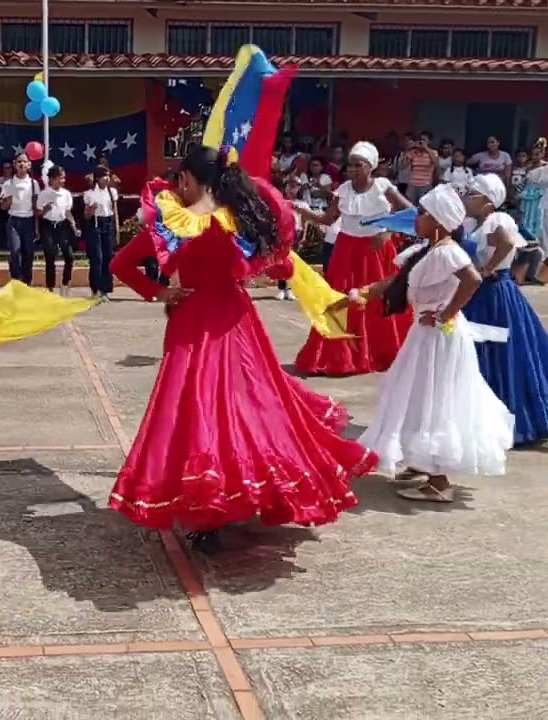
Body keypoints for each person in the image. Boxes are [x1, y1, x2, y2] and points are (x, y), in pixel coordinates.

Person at [105, 145, 375, 551]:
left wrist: (162, 292)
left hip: (192, 320)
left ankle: (209, 506)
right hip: (236, 320)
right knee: (252, 404)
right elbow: (282, 265)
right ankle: (253, 490)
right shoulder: (246, 221)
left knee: (196, 410)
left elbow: (120, 265)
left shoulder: (176, 222)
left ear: (187, 180)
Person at [339, 184, 513, 503]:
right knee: (415, 394)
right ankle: (421, 460)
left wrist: (446, 313)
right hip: (426, 335)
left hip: (438, 337)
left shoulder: (448, 250)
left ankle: (438, 480)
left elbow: (472, 279)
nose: (416, 218)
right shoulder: (430, 250)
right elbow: (396, 281)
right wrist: (359, 294)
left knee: (434, 397)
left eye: (422, 213)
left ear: (439, 220)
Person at [460, 174, 548, 448]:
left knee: (499, 352)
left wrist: (488, 269)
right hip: (481, 294)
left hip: (494, 294)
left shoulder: (496, 220)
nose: (467, 198)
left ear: (488, 201)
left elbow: (506, 243)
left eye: (472, 194)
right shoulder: (475, 223)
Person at [293, 141, 414, 376]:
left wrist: (387, 231)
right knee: (340, 300)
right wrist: (302, 210)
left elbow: (409, 213)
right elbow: (328, 219)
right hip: (346, 250)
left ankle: (379, 352)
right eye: (350, 165)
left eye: (359, 165)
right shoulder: (343, 190)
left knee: (377, 299)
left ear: (371, 166)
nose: (353, 169)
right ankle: (339, 357)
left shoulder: (383, 187)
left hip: (376, 251)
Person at [38, 164, 79, 294]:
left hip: (62, 225)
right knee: (50, 256)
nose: (63, 181)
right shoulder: (44, 194)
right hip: (47, 225)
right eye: (60, 178)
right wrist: (46, 209)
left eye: (63, 178)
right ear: (52, 179)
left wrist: (74, 226)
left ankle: (65, 283)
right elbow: (38, 213)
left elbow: (67, 212)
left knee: (69, 256)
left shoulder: (66, 194)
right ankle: (50, 287)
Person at [0, 154, 39, 285]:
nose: (22, 164)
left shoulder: (33, 183)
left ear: (29, 165)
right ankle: (15, 280)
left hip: (28, 220)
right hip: (14, 221)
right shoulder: (8, 184)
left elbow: (36, 205)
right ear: (15, 164)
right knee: (15, 250)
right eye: (19, 162)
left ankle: (27, 282)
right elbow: (3, 206)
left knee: (28, 252)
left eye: (25, 161)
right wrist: (8, 200)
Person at [84, 166, 119, 298]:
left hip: (107, 224)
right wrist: (91, 210)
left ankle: (105, 288)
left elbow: (114, 212)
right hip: (95, 224)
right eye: (104, 175)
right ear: (97, 178)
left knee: (107, 256)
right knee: (97, 257)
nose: (107, 178)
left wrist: (116, 230)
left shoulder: (112, 192)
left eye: (108, 175)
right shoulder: (90, 193)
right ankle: (95, 288)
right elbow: (86, 216)